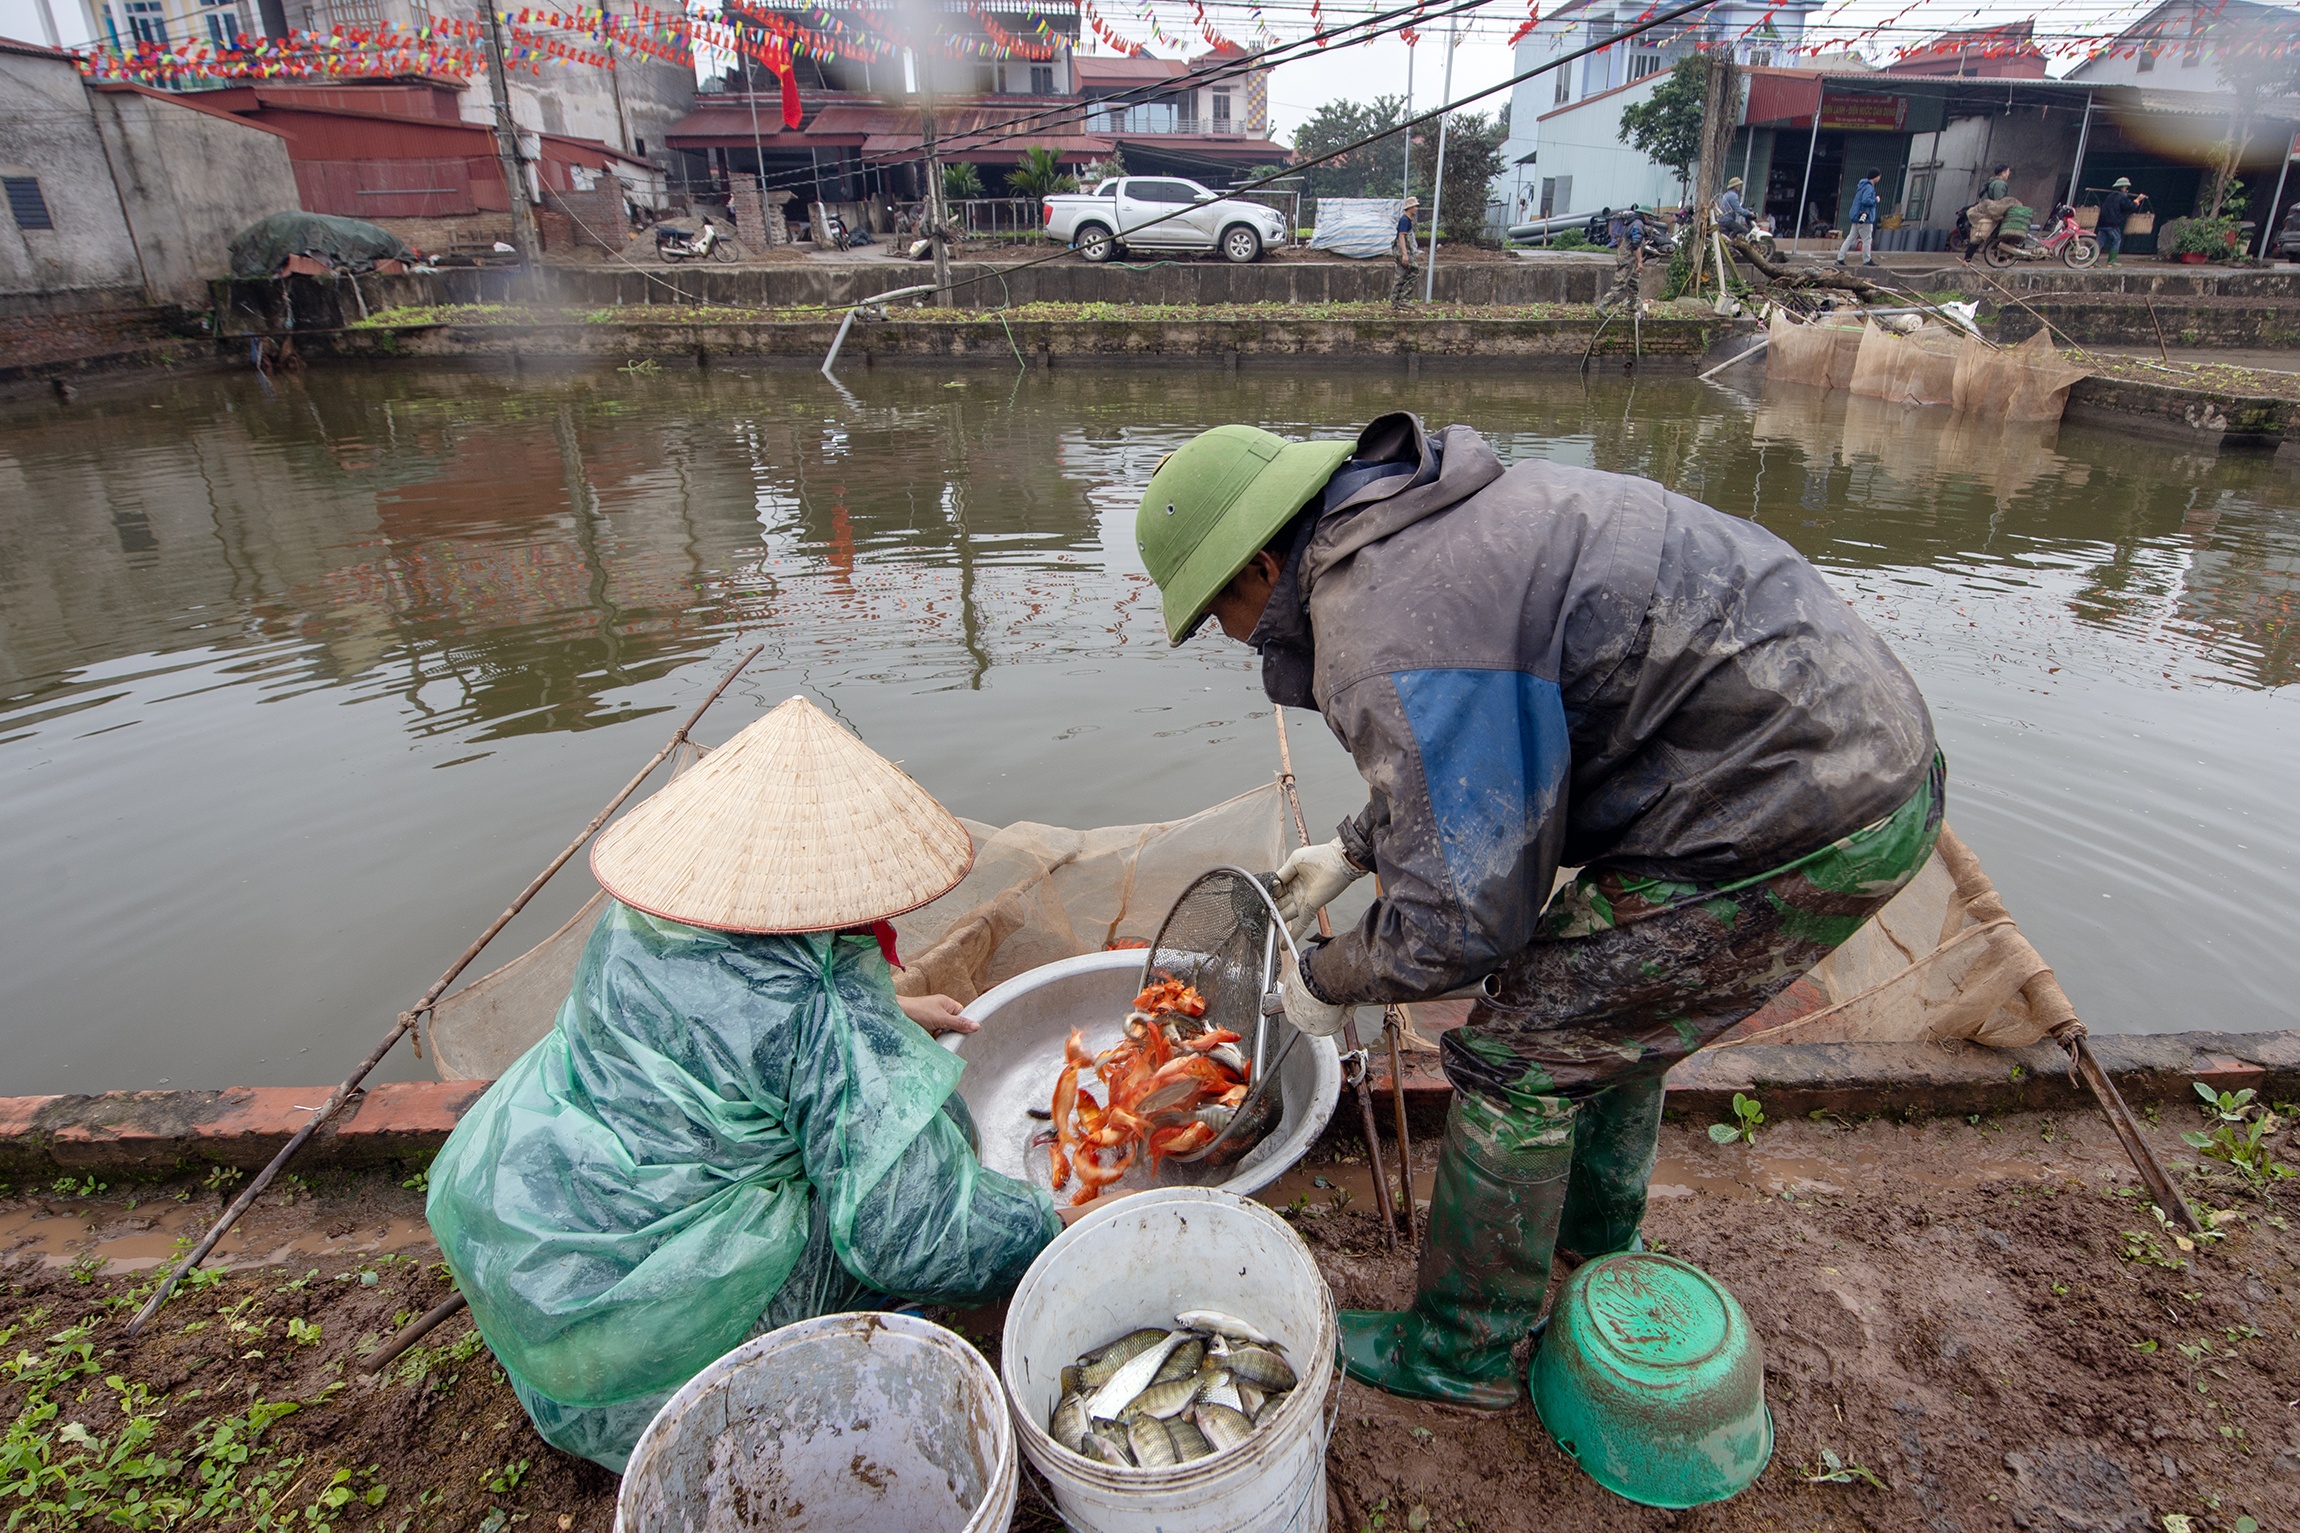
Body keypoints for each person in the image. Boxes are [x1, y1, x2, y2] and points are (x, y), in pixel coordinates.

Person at [1133, 414, 1940, 1409]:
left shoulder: (1381, 620)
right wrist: (1352, 848)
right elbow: (1480, 762)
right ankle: (1587, 1240)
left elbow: (1463, 919)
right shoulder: (1406, 524)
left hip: (1802, 811)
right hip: (1826, 753)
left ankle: (1459, 1353)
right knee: (1599, 1016)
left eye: (1217, 609)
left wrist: (1325, 980)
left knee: (1519, 1049)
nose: (1228, 634)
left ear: (1261, 563)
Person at [425, 696, 1063, 1470]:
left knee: (896, 1119)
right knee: (942, 1136)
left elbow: (727, 1011)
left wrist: (887, 1010)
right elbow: (911, 1235)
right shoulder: (822, 1006)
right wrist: (1056, 1224)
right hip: (650, 1378)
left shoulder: (639, 923)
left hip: (537, 1277)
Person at [2096, 177, 2149, 265]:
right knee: (2117, 240)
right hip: (2112, 223)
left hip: (2102, 222)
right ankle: (2111, 261)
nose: (2126, 189)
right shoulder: (2122, 197)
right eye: (2126, 187)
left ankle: (2093, 261)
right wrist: (2137, 200)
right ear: (2123, 187)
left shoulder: (2110, 196)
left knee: (2099, 242)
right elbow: (2129, 207)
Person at [1836, 168, 1882, 266]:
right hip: (1865, 217)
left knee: (1850, 238)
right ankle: (1867, 260)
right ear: (1876, 177)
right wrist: (1875, 200)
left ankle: (1840, 258)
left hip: (1857, 216)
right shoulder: (1869, 187)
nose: (1879, 178)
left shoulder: (1862, 186)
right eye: (1879, 176)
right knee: (1867, 239)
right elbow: (1866, 201)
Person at [1390, 195, 1421, 306]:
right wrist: (1405, 254)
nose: (1416, 209)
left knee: (1401, 275)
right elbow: (1401, 236)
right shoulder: (1405, 220)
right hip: (1402, 252)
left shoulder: (1407, 220)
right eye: (1415, 206)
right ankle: (1404, 298)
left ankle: (1395, 301)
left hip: (1403, 251)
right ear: (1410, 208)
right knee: (1415, 272)